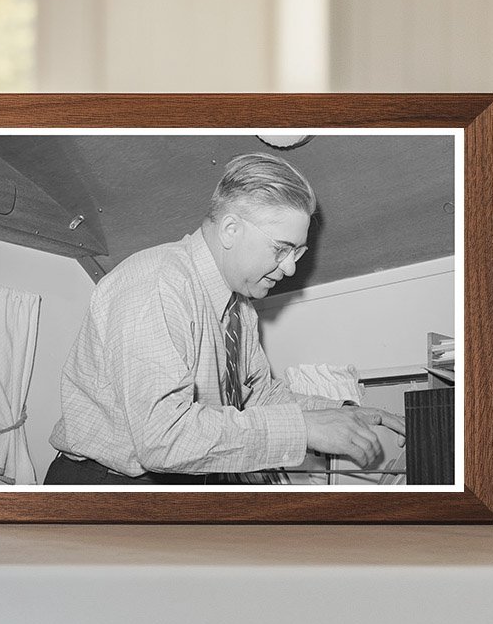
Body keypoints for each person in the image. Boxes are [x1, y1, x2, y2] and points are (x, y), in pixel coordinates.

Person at [43, 152, 405, 485]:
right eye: (282, 249)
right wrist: (303, 429)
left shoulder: (239, 307)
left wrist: (342, 413)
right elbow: (162, 437)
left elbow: (258, 395)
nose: (292, 266)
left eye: (298, 251)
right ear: (231, 229)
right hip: (106, 486)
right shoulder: (156, 282)